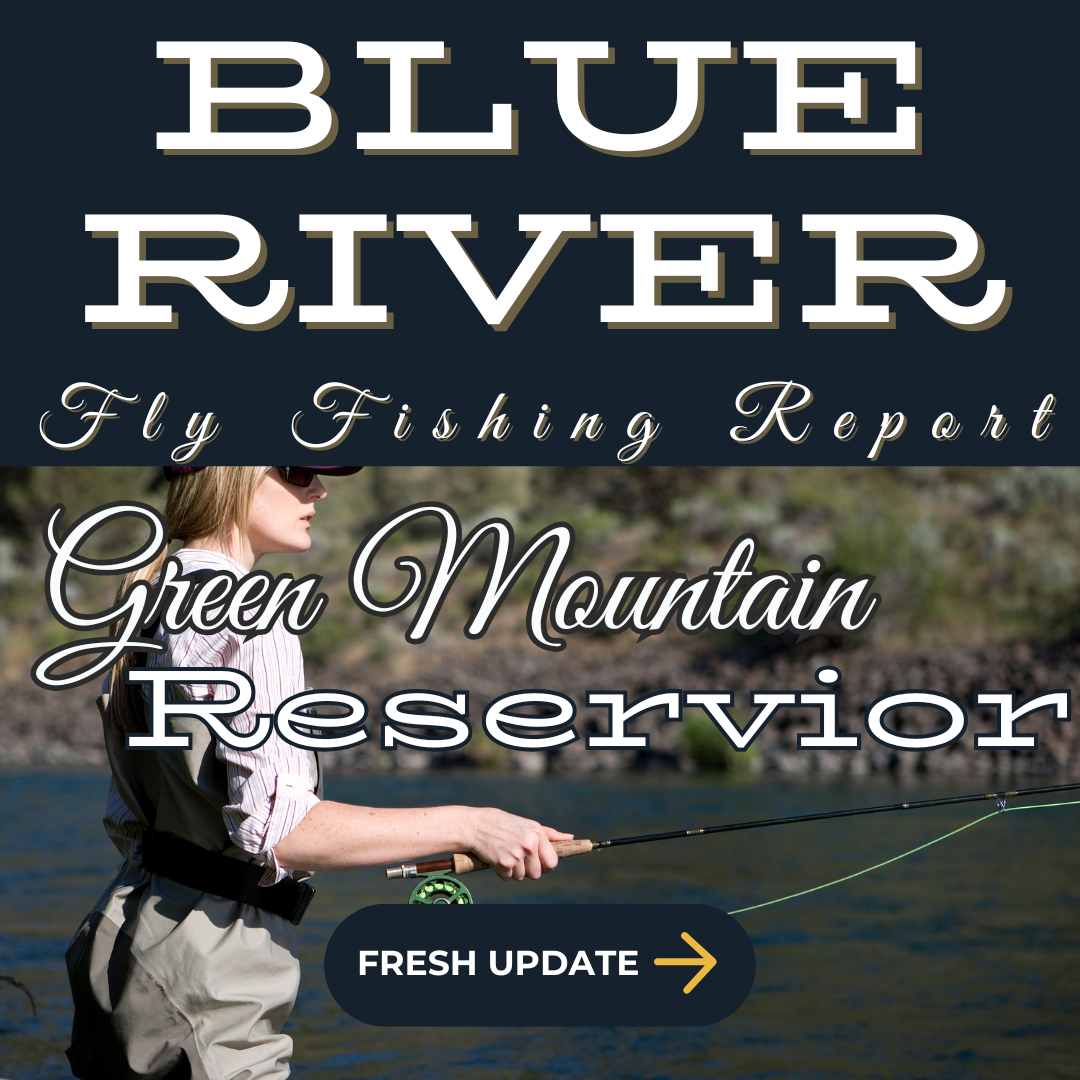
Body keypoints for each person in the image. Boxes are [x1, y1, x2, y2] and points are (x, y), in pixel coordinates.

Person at [66, 465, 571, 1080]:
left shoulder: (144, 601)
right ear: (236, 474)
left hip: (125, 947)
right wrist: (473, 824)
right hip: (208, 987)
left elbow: (127, 819)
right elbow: (280, 832)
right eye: (299, 471)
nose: (318, 491)